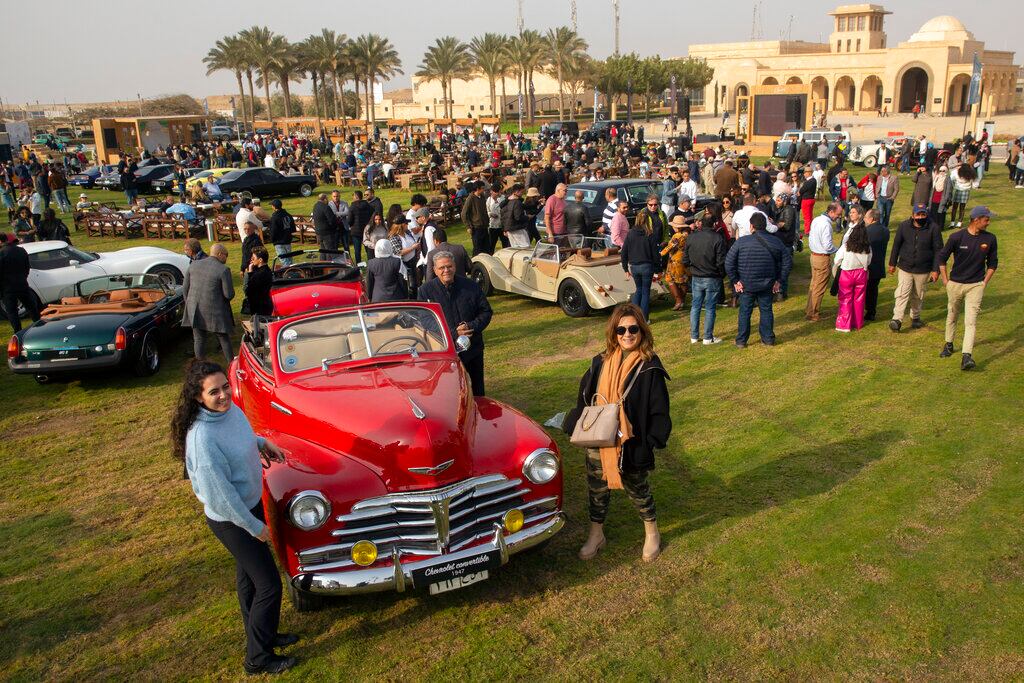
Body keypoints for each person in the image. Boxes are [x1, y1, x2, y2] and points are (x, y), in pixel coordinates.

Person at [170, 360, 297, 676]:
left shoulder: (228, 412)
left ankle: (263, 636)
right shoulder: (202, 440)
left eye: (226, 386)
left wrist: (261, 443)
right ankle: (258, 658)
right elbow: (220, 497)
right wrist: (255, 527)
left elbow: (241, 438)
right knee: (269, 585)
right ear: (199, 398)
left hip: (247, 506)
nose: (224, 394)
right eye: (214, 392)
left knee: (250, 581)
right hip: (232, 519)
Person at [564, 304, 671, 563]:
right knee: (597, 488)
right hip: (600, 437)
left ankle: (651, 533)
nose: (627, 334)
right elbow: (585, 397)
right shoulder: (600, 362)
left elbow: (659, 408)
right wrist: (578, 421)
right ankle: (596, 534)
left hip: (631, 441)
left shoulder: (649, 366)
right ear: (613, 333)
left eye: (633, 328)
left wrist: (650, 442)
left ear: (642, 331)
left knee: (638, 488)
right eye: (621, 329)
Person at [417, 251, 492, 396]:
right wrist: (453, 333)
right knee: (451, 392)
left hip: (473, 348)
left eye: (449, 266)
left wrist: (471, 326)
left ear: (455, 266)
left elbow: (486, 312)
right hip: (445, 351)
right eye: (442, 268)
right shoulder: (425, 291)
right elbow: (424, 320)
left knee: (477, 391)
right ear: (434, 270)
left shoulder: (471, 286)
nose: (446, 270)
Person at [937, 206, 998, 371]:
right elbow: (942, 257)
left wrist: (984, 282)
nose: (988, 223)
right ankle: (949, 344)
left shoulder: (990, 239)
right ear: (976, 220)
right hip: (955, 284)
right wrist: (945, 280)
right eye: (986, 220)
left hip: (976, 286)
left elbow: (993, 263)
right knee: (952, 315)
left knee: (971, 321)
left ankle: (966, 356)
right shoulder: (957, 237)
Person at [726, 213, 792, 347]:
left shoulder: (741, 242)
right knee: (766, 310)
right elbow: (787, 262)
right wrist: (780, 280)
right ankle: (768, 339)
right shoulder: (776, 241)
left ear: (751, 226)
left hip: (746, 284)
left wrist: (735, 280)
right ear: (766, 225)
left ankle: (741, 341)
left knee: (745, 312)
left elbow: (728, 262)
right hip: (767, 283)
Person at [888, 204, 942, 332]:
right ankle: (897, 319)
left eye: (923, 214)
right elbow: (896, 245)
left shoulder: (934, 228)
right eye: (918, 214)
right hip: (905, 266)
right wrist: (892, 263)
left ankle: (915, 317)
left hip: (923, 268)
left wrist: (936, 270)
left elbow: (938, 250)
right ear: (913, 215)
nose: (920, 217)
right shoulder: (904, 226)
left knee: (918, 294)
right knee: (902, 292)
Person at [182, 242, 235, 362]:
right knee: (223, 338)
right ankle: (231, 364)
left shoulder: (193, 265)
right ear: (220, 254)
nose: (226, 259)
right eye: (226, 255)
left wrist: (189, 303)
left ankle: (200, 364)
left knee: (199, 339)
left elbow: (185, 289)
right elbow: (229, 295)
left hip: (194, 308)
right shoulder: (223, 269)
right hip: (215, 310)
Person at [683, 215, 727, 345]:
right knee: (709, 307)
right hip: (711, 276)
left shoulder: (692, 237)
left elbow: (685, 260)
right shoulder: (717, 238)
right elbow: (720, 261)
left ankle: (694, 336)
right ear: (714, 224)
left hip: (698, 276)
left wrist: (692, 270)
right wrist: (721, 274)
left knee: (696, 306)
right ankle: (707, 337)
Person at [621, 201, 661, 321]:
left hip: (634, 266)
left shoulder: (630, 234)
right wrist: (658, 268)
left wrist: (625, 268)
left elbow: (624, 252)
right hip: (646, 266)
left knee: (638, 290)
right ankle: (644, 319)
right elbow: (655, 253)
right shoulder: (650, 234)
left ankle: (633, 316)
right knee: (644, 292)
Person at [804, 201, 843, 321]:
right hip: (822, 258)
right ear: (831, 212)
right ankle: (813, 313)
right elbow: (828, 246)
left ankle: (809, 310)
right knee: (819, 287)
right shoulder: (826, 225)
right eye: (838, 214)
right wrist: (838, 249)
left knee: (814, 285)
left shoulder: (816, 219)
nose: (839, 217)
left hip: (814, 256)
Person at [832, 222, 872, 332]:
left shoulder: (846, 247)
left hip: (847, 273)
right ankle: (857, 323)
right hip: (861, 274)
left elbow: (837, 260)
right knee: (859, 299)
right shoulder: (867, 247)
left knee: (845, 298)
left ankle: (844, 325)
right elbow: (868, 261)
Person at [0, 233, 41, 331]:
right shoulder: (21, 250)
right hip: (22, 284)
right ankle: (39, 326)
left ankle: (18, 332)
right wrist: (23, 277)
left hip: (8, 288)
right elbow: (27, 267)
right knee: (31, 308)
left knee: (12, 312)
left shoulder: (1, 254)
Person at [863, 209, 890, 321]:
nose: (864, 219)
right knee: (873, 290)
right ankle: (871, 312)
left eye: (866, 217)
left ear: (872, 219)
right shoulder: (886, 230)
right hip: (879, 265)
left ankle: (864, 311)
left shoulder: (866, 231)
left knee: (865, 290)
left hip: (867, 265)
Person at [660, 215, 690, 311]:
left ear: (676, 227)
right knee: (683, 281)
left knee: (670, 280)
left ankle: (678, 300)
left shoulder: (677, 236)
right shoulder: (687, 234)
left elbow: (670, 247)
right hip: (684, 259)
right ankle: (682, 301)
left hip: (675, 261)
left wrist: (661, 252)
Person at [241, 246, 274, 316]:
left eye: (253, 258)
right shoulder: (267, 270)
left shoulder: (259, 274)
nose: (251, 259)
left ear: (260, 260)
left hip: (259, 308)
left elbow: (247, 290)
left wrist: (249, 272)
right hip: (266, 304)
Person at [462, 182, 490, 256]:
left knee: (487, 248)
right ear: (478, 189)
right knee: (477, 249)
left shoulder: (482, 197)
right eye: (482, 188)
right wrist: (468, 226)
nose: (484, 190)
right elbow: (464, 214)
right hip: (476, 228)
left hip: (484, 226)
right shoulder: (470, 198)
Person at [267, 199, 295, 266]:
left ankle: (289, 274)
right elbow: (293, 228)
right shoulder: (288, 215)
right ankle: (292, 272)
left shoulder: (275, 217)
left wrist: (272, 240)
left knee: (284, 261)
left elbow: (273, 230)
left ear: (274, 207)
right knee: (289, 259)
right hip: (288, 240)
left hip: (279, 242)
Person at [947, 163, 976, 229]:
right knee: (962, 208)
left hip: (958, 190)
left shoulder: (957, 172)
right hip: (966, 191)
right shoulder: (970, 174)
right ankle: (959, 223)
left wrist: (954, 185)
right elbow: (973, 183)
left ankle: (952, 222)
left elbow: (951, 179)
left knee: (954, 207)